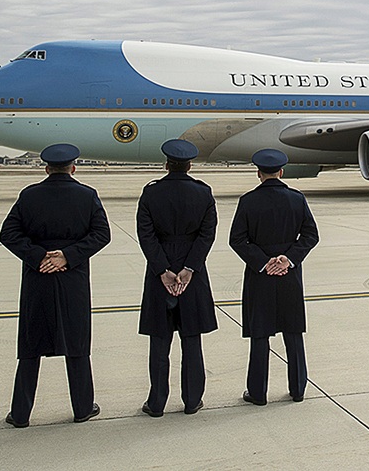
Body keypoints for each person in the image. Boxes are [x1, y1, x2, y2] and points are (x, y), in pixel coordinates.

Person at [0, 143, 110, 427]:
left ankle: (21, 413)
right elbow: (101, 234)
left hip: (38, 276)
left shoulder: (29, 195)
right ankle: (83, 407)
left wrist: (38, 257)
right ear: (73, 167)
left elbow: (8, 234)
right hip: (72, 278)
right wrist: (67, 256)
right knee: (77, 344)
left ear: (46, 168)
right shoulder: (87, 195)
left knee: (30, 345)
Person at [229, 148, 319, 405]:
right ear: (281, 172)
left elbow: (237, 240)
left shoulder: (248, 201)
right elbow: (311, 235)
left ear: (259, 173)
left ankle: (257, 393)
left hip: (260, 277)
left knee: (260, 334)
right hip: (289, 275)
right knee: (293, 333)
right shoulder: (296, 198)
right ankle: (298, 388)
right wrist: (288, 259)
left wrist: (263, 261)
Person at [136, 139, 218, 417]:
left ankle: (156, 403)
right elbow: (207, 234)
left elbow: (145, 235)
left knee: (159, 342)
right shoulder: (203, 193)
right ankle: (192, 400)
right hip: (191, 273)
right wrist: (190, 268)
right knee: (191, 339)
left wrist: (162, 270)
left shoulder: (151, 193)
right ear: (190, 165)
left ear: (167, 164)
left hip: (160, 272)